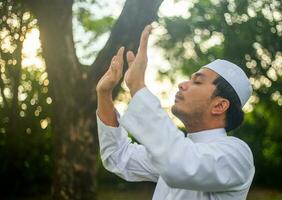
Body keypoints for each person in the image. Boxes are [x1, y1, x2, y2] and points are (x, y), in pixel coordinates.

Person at [95, 25, 255, 200]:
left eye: (198, 82)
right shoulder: (178, 150)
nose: (183, 84)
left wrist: (137, 87)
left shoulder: (236, 155)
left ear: (219, 106)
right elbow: (118, 156)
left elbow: (179, 163)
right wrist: (104, 94)